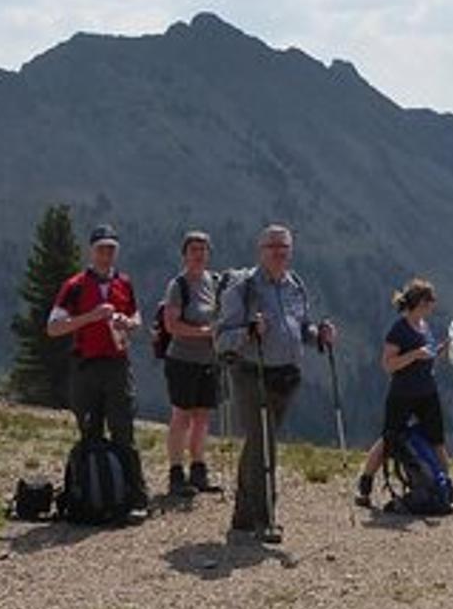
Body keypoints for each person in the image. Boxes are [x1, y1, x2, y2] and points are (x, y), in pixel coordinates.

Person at [214, 224, 335, 543]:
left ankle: (241, 517)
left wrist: (317, 335)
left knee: (258, 444)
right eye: (273, 247)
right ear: (260, 250)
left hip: (286, 375)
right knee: (264, 446)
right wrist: (249, 332)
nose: (280, 253)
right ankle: (264, 519)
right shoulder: (243, 288)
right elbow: (221, 339)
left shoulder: (295, 285)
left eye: (285, 247)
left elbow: (300, 326)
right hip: (252, 372)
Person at [45, 223, 151, 520]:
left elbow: (136, 314)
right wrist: (90, 317)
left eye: (111, 249)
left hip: (117, 364)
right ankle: (92, 494)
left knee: (123, 431)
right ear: (91, 251)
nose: (106, 254)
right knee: (89, 431)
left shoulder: (124, 283)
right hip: (86, 366)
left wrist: (129, 324)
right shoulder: (75, 286)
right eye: (101, 248)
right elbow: (53, 328)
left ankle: (133, 497)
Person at [355, 278, 453, 506]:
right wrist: (414, 355)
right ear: (421, 302)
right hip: (403, 392)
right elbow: (388, 364)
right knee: (389, 438)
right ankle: (365, 484)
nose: (434, 305)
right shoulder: (399, 329)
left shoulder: (424, 326)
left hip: (427, 390)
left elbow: (425, 357)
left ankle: (445, 490)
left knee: (437, 440)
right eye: (431, 301)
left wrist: (441, 350)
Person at [159, 230, 224, 498]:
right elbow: (171, 325)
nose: (199, 254)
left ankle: (198, 470)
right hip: (183, 360)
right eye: (194, 250)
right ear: (185, 255)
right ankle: (176, 473)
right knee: (181, 415)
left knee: (202, 416)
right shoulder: (178, 286)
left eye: (203, 249)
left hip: (209, 361)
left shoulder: (215, 282)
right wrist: (206, 333)